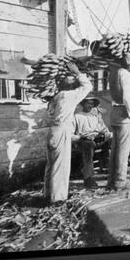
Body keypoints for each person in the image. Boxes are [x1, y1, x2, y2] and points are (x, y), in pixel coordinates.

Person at [44, 63, 92, 205]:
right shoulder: (69, 95)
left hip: (52, 131)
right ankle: (57, 198)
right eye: (70, 78)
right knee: (61, 165)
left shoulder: (56, 97)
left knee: (51, 164)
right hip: (62, 130)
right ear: (64, 84)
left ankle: (48, 194)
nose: (73, 80)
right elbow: (88, 86)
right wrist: (77, 72)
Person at [107, 53, 130, 190]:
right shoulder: (125, 74)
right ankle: (120, 181)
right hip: (124, 113)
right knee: (123, 149)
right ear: (129, 64)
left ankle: (111, 181)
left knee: (115, 148)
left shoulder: (115, 73)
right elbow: (127, 96)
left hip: (114, 113)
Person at [72, 96, 112, 188]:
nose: (90, 106)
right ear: (83, 104)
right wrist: (81, 137)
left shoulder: (94, 116)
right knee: (88, 147)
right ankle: (88, 178)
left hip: (96, 137)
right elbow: (71, 135)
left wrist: (106, 133)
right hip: (83, 140)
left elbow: (102, 128)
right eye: (88, 103)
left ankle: (107, 167)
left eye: (92, 104)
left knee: (112, 140)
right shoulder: (77, 116)